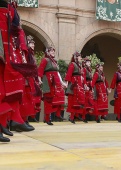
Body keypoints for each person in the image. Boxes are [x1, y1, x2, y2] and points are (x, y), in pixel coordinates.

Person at [0, 0, 34, 141]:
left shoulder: (10, 8)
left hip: (8, 46)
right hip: (4, 44)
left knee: (9, 86)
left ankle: (9, 121)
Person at [38, 47, 66, 125]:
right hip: (48, 81)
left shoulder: (54, 61)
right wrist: (39, 79)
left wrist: (62, 82)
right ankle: (47, 118)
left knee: (60, 95)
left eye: (54, 51)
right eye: (51, 51)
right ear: (47, 52)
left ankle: (57, 114)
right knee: (49, 99)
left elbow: (57, 73)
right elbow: (40, 70)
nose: (53, 52)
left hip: (56, 82)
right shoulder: (45, 60)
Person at [19, 35, 40, 128]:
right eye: (31, 43)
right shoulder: (25, 53)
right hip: (25, 78)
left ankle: (25, 120)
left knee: (29, 99)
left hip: (30, 78)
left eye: (33, 43)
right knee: (25, 99)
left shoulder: (31, 54)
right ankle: (21, 120)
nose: (33, 45)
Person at [65, 51, 85, 124]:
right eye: (80, 57)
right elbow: (69, 74)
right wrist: (67, 83)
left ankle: (74, 116)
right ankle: (72, 117)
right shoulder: (72, 64)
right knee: (73, 100)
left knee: (78, 100)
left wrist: (83, 84)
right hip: (74, 84)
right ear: (76, 57)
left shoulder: (79, 65)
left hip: (79, 84)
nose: (81, 58)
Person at [82, 57, 94, 123]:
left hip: (89, 86)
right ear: (85, 63)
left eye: (89, 62)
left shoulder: (90, 70)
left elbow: (91, 80)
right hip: (86, 86)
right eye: (88, 62)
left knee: (89, 101)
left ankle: (86, 116)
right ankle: (84, 117)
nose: (89, 63)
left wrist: (92, 87)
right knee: (85, 102)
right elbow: (83, 78)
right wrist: (85, 85)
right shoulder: (84, 69)